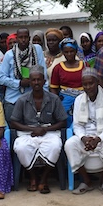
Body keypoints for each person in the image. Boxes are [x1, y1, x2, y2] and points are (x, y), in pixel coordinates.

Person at [10, 66, 68, 194]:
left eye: (39, 80)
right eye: (33, 80)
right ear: (29, 82)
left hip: (49, 131)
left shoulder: (54, 99)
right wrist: (32, 129)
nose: (36, 83)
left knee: (55, 146)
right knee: (20, 147)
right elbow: (14, 121)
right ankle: (32, 177)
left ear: (44, 81)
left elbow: (62, 121)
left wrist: (44, 130)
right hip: (28, 132)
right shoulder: (22, 99)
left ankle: (43, 179)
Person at [64, 68, 103, 195]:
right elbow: (77, 125)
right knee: (70, 144)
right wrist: (84, 138)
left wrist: (98, 139)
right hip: (85, 137)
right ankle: (86, 182)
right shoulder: (79, 100)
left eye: (91, 83)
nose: (88, 87)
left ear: (97, 82)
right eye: (85, 84)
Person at [0, 28, 47, 120]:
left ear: (29, 38)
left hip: (33, 98)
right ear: (17, 39)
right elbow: (1, 78)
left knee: (33, 128)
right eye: (20, 37)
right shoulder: (9, 54)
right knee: (13, 129)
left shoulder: (37, 50)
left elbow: (43, 73)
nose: (23, 40)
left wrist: (45, 95)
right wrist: (19, 83)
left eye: (25, 37)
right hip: (13, 99)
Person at [50, 37, 84, 125]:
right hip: (65, 102)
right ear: (63, 53)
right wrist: (57, 103)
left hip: (83, 99)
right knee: (66, 123)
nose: (69, 54)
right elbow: (53, 88)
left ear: (76, 51)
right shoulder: (58, 68)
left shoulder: (84, 65)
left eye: (71, 51)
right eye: (66, 52)